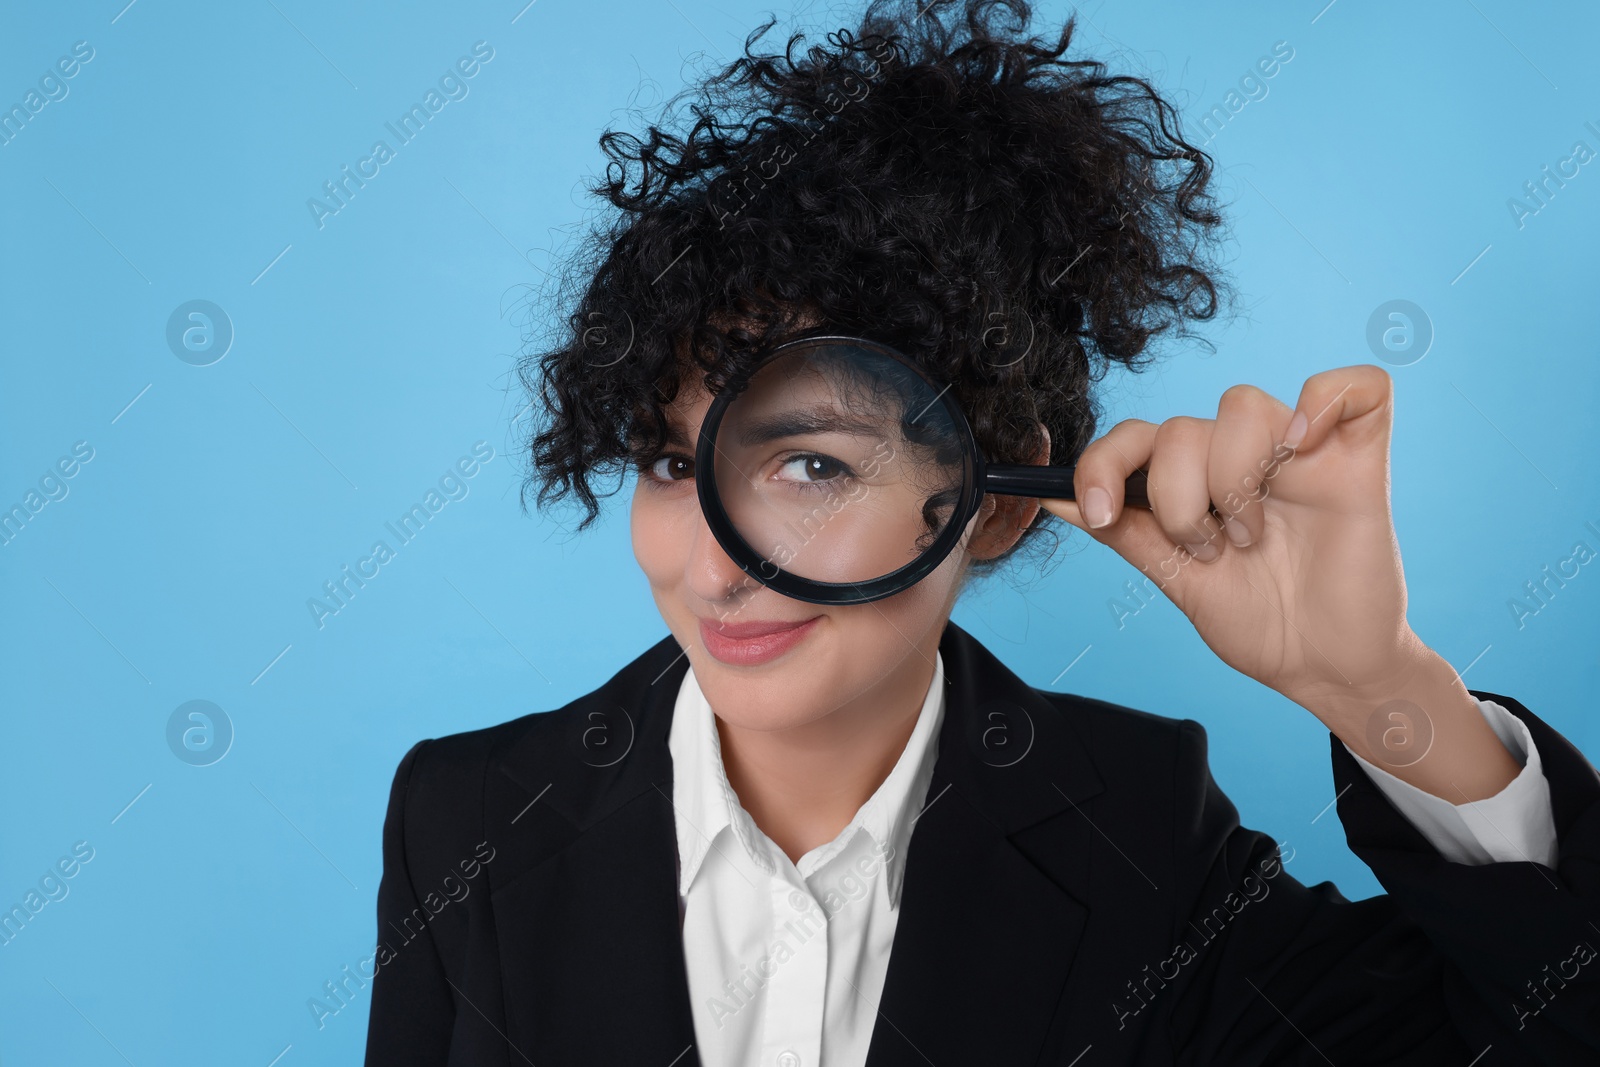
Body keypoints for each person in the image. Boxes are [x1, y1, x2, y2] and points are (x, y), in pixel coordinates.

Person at [362, 2, 1600, 1063]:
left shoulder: (1142, 833)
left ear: (990, 501)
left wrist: (1373, 683)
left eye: (807, 463)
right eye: (670, 462)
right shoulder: (465, 817)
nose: (710, 571)